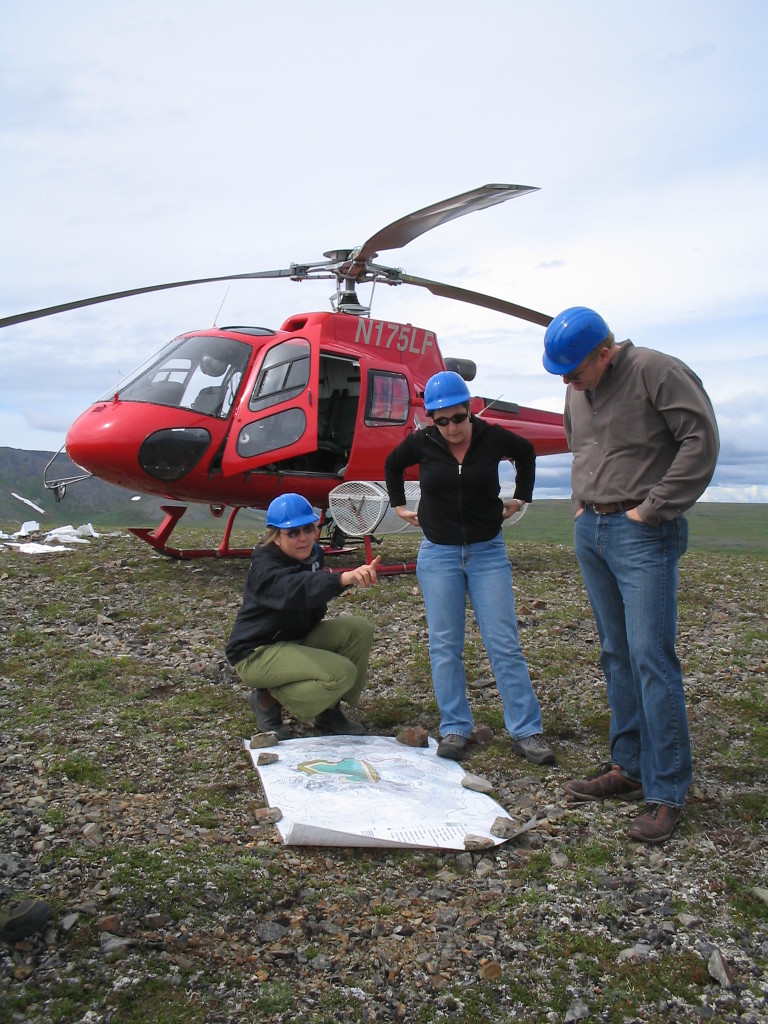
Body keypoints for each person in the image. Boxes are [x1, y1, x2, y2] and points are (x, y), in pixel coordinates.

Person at [542, 306, 719, 843]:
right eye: (561, 374)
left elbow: (701, 440)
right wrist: (578, 502)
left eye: (573, 370)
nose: (568, 382)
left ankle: (666, 792)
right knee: (615, 652)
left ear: (605, 351)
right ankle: (629, 767)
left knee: (651, 657)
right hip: (591, 529)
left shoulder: (658, 371)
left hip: (643, 532)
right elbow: (581, 446)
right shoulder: (576, 387)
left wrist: (652, 508)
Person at [384, 370, 556, 765]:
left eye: (457, 418)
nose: (450, 427)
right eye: (440, 420)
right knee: (445, 644)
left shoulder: (492, 437)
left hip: (487, 552)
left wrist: (521, 497)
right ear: (431, 419)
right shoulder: (423, 442)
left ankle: (527, 732)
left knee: (504, 643)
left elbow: (526, 453)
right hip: (438, 553)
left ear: (469, 410)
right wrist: (398, 505)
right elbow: (393, 465)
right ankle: (455, 728)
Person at [226, 493, 380, 738]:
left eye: (308, 528)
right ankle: (267, 697)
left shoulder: (314, 554)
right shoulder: (264, 566)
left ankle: (329, 713)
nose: (303, 538)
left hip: (297, 638)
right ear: (276, 537)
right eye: (293, 532)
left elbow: (311, 589)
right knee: (342, 672)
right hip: (257, 652)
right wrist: (342, 579)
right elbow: (295, 589)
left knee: (359, 629)